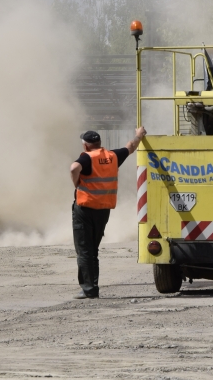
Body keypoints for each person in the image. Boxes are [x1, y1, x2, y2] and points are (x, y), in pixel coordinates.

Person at [70, 126, 147, 299]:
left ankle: (89, 289)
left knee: (84, 250)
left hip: (84, 209)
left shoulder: (86, 157)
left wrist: (76, 183)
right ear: (99, 143)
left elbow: (74, 168)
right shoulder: (112, 156)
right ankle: (92, 286)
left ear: (85, 145)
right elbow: (131, 147)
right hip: (103, 210)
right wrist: (139, 135)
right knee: (93, 250)